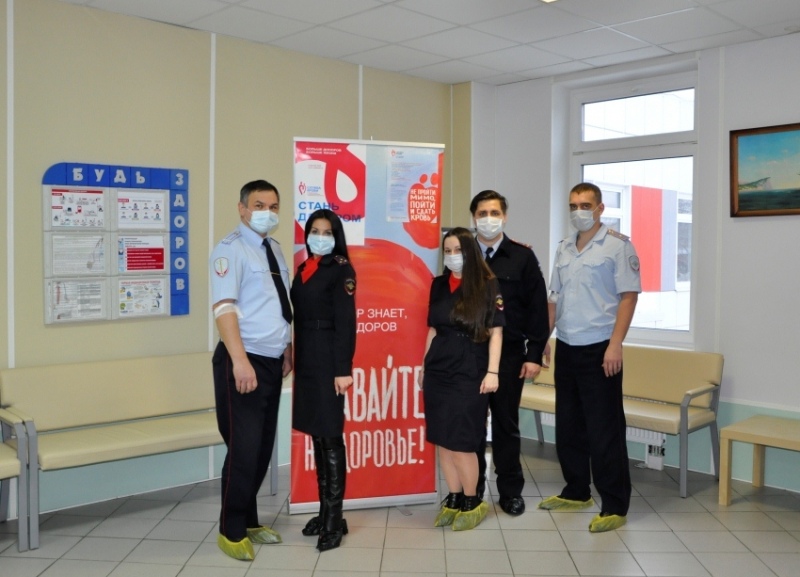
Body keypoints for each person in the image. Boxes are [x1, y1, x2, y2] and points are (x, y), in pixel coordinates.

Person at [538, 182, 641, 533]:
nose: (578, 211)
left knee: (604, 429)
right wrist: (543, 338)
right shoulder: (564, 247)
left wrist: (616, 344)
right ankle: (576, 490)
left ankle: (615, 503)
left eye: (585, 205)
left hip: (600, 349)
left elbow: (629, 297)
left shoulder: (617, 246)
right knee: (568, 424)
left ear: (600, 208)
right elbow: (554, 299)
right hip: (567, 345)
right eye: (573, 205)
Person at [209, 179, 293, 560]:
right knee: (243, 450)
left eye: (273, 207)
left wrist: (287, 346)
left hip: (272, 361)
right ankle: (230, 531)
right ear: (242, 209)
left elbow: (279, 304)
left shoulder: (274, 249)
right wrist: (240, 361)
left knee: (260, 448)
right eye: (259, 206)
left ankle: (250, 521)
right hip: (243, 360)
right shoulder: (230, 250)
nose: (267, 213)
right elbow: (224, 308)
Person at [418, 227, 504, 531]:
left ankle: (472, 500)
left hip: (470, 371)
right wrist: (424, 367)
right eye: (448, 251)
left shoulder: (487, 285)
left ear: (470, 252)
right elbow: (433, 329)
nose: (453, 256)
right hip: (438, 369)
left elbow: (496, 332)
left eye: (458, 250)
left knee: (463, 442)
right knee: (443, 439)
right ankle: (453, 498)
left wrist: (493, 372)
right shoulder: (438, 285)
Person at [470, 190, 549, 516]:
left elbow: (537, 309)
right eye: (482, 213)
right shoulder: (461, 254)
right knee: (471, 425)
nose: (488, 219)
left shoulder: (522, 257)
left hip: (510, 355)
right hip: (469, 354)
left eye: (494, 212)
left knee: (506, 424)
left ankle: (510, 492)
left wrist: (534, 354)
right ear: (473, 217)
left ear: (504, 216)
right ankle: (472, 490)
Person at [290, 209, 357, 552]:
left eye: (326, 232)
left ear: (336, 236)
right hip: (307, 358)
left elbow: (346, 321)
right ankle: (324, 510)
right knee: (318, 434)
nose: (319, 237)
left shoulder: (341, 268)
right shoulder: (304, 267)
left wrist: (343, 369)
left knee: (330, 436)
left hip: (329, 359)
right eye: (314, 231)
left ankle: (334, 520)